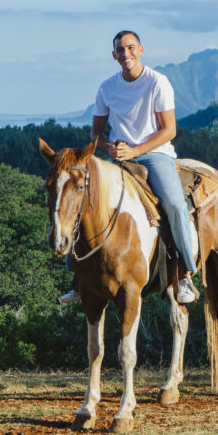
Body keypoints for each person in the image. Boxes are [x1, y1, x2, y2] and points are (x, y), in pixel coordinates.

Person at [60, 30, 199, 305]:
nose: (126, 54)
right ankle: (78, 278)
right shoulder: (107, 88)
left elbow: (169, 129)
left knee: (173, 203)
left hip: (154, 155)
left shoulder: (158, 82)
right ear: (114, 56)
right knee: (83, 199)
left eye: (131, 48)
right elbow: (95, 135)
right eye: (120, 50)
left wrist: (135, 150)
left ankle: (184, 273)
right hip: (119, 158)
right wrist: (109, 147)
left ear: (141, 50)